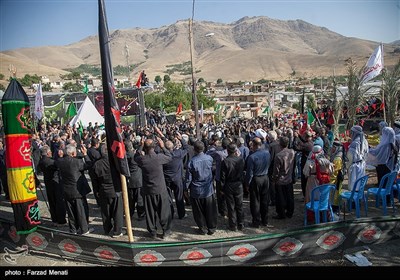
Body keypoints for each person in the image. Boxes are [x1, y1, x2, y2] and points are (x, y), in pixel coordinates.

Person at [135, 137, 173, 239]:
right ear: (155, 146)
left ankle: (152, 232)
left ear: (145, 148)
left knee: (150, 213)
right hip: (160, 189)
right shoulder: (159, 157)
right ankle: (166, 231)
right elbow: (169, 156)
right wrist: (163, 147)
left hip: (148, 190)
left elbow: (135, 157)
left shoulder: (142, 160)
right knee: (164, 211)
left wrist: (141, 146)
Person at [56, 144, 92, 235]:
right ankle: (84, 229)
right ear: (72, 153)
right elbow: (89, 165)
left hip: (66, 190)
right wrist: (85, 154)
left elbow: (57, 161)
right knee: (80, 211)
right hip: (77, 190)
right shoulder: (77, 162)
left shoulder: (60, 161)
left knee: (71, 212)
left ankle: (73, 229)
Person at [92, 144, 124, 237]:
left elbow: (94, 180)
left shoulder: (97, 164)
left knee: (106, 212)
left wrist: (96, 191)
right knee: (117, 212)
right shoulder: (115, 163)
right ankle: (117, 231)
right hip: (115, 190)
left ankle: (107, 228)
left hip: (104, 190)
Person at [186, 141, 217, 235]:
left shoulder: (191, 162)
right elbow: (213, 170)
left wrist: (186, 188)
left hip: (196, 190)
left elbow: (188, 178)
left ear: (194, 149)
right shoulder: (209, 158)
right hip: (208, 189)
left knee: (198, 211)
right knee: (210, 209)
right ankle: (211, 228)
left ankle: (202, 228)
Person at [245, 137, 271, 228]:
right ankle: (265, 220)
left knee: (255, 201)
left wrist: (247, 184)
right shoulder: (267, 153)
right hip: (265, 177)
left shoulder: (252, 157)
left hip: (256, 179)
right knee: (264, 200)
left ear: (254, 145)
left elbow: (250, 173)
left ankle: (256, 221)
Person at [38, 145, 66, 226]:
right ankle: (61, 220)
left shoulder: (42, 161)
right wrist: (60, 157)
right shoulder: (49, 161)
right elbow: (59, 165)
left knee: (52, 201)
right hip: (55, 182)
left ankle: (55, 220)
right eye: (50, 151)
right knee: (59, 201)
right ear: (47, 153)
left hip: (48, 182)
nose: (51, 153)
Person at [220, 143, 245, 231]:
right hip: (238, 184)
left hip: (229, 184)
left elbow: (222, 177)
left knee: (231, 206)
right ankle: (241, 223)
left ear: (227, 151)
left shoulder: (225, 161)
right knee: (239, 204)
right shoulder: (240, 160)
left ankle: (233, 225)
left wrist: (222, 188)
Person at [271, 136, 295, 219]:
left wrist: (274, 179)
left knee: (280, 198)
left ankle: (281, 214)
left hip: (280, 180)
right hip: (288, 178)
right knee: (289, 196)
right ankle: (290, 211)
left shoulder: (278, 156)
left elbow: (276, 171)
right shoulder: (292, 152)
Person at [347, 125, 369, 191]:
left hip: (355, 166)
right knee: (359, 184)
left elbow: (350, 157)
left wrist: (348, 166)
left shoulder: (355, 143)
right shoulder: (365, 141)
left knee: (353, 185)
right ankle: (358, 198)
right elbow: (367, 153)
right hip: (362, 164)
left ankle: (353, 200)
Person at [330, 141, 346, 212]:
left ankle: (335, 208)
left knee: (335, 194)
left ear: (337, 148)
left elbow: (334, 172)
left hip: (336, 179)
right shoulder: (337, 154)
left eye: (333, 147)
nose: (332, 148)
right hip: (338, 177)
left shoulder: (337, 158)